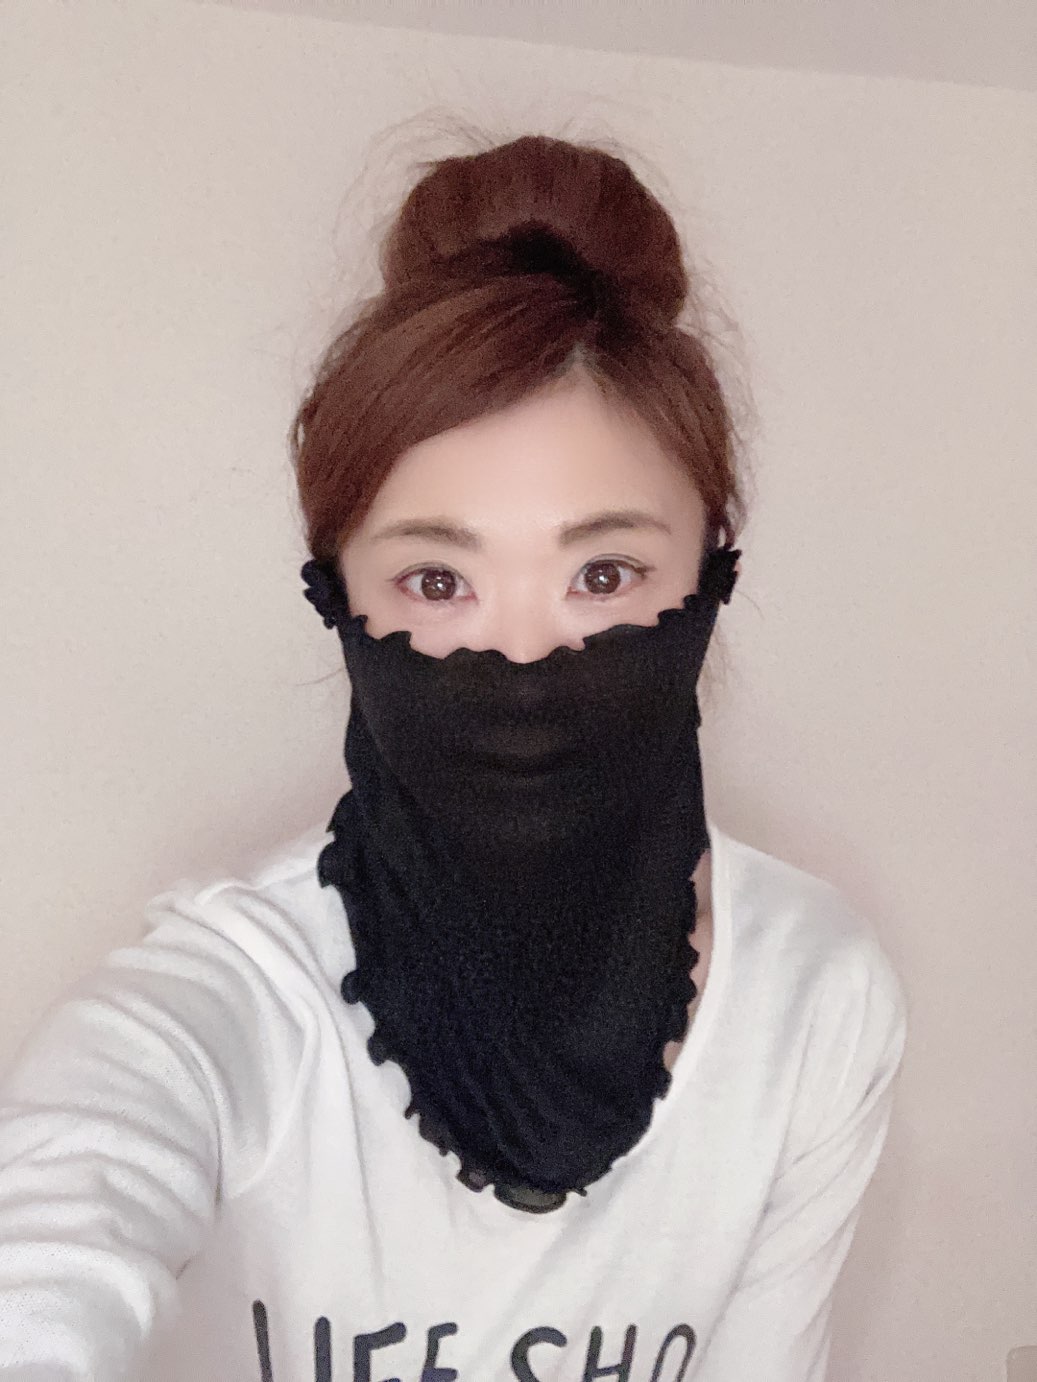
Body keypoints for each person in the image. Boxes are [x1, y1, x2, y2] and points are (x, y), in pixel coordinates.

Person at [0, 133, 906, 1381]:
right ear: (337, 591)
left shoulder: (814, 995)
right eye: (436, 580)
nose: (523, 653)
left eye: (604, 573)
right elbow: (56, 1233)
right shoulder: (221, 1007)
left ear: (710, 573)